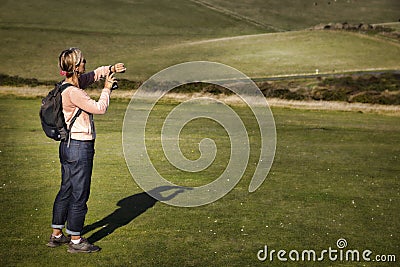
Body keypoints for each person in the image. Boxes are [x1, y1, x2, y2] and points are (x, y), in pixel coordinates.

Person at [46, 47, 126, 253]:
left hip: (67, 146)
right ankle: (76, 240)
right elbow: (100, 108)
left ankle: (56, 234)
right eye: (82, 61)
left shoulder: (67, 85)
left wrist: (109, 68)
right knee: (80, 193)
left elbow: (92, 76)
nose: (85, 63)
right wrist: (107, 88)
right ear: (75, 66)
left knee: (67, 189)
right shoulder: (74, 92)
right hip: (80, 147)